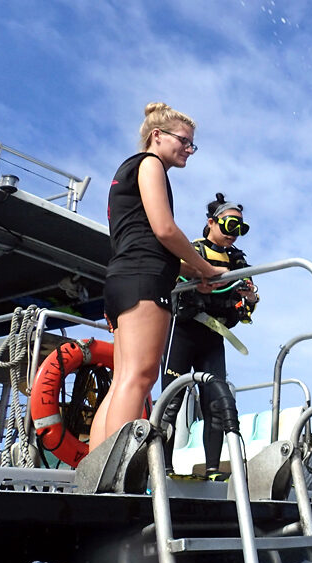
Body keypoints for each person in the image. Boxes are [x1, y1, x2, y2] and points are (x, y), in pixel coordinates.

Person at [89, 102, 227, 451]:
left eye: (193, 144)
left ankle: (95, 468)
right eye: (184, 141)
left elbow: (148, 241)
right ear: (157, 136)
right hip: (144, 281)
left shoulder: (128, 171)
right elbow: (164, 230)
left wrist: (194, 271)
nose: (189, 149)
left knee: (124, 379)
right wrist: (207, 267)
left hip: (123, 278)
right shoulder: (150, 165)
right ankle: (117, 469)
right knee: (140, 376)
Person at [159, 193, 258, 480]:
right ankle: (162, 466)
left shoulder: (238, 261)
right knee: (171, 402)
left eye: (241, 228)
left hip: (213, 335)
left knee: (216, 402)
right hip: (183, 331)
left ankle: (213, 468)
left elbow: (249, 301)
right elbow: (170, 273)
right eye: (230, 225)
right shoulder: (192, 251)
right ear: (212, 222)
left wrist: (251, 298)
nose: (234, 233)